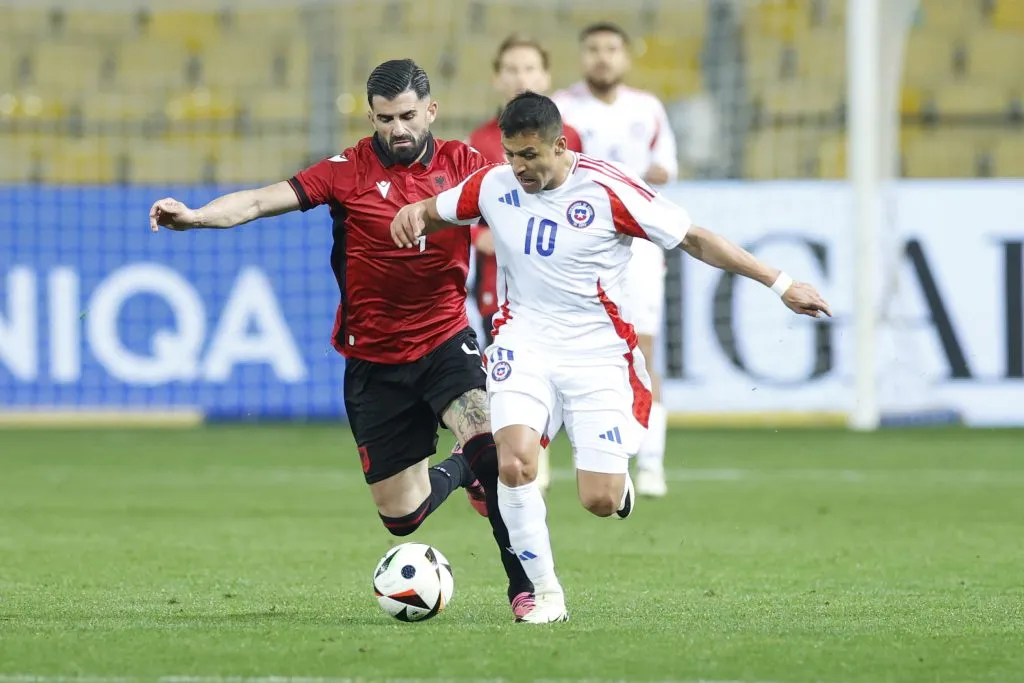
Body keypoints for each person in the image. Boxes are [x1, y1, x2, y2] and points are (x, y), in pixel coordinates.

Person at [390, 92, 831, 623]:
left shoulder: (607, 187)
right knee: (513, 463)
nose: (519, 167)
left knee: (598, 499)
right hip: (521, 342)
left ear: (560, 144)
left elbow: (692, 238)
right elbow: (439, 211)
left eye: (530, 155)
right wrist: (412, 215)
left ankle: (617, 491)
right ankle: (545, 593)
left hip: (598, 355)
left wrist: (780, 283)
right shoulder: (494, 184)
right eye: (511, 154)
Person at [148, 59, 536, 620]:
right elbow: (260, 200)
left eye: (407, 116)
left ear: (431, 110)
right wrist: (196, 217)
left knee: (494, 448)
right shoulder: (346, 170)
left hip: (445, 338)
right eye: (385, 119)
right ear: (371, 116)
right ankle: (459, 469)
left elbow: (526, 202)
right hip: (373, 358)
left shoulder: (466, 164)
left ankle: (524, 588)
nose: (397, 129)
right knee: (401, 517)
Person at [552, 22, 679, 498]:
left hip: (638, 244)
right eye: (593, 49)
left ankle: (650, 462)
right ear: (582, 56)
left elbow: (667, 168)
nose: (602, 57)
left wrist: (617, 175)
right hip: (578, 244)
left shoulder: (647, 109)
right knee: (577, 349)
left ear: (625, 57)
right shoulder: (561, 108)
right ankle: (590, 457)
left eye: (611, 49)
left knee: (642, 348)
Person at [459, 33, 583, 495]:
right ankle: (530, 461)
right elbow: (464, 207)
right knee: (510, 369)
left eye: (530, 69)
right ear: (496, 78)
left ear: (546, 77)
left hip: (564, 282)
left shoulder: (570, 136)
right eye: (511, 69)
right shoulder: (479, 141)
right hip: (504, 283)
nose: (520, 77)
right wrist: (480, 234)